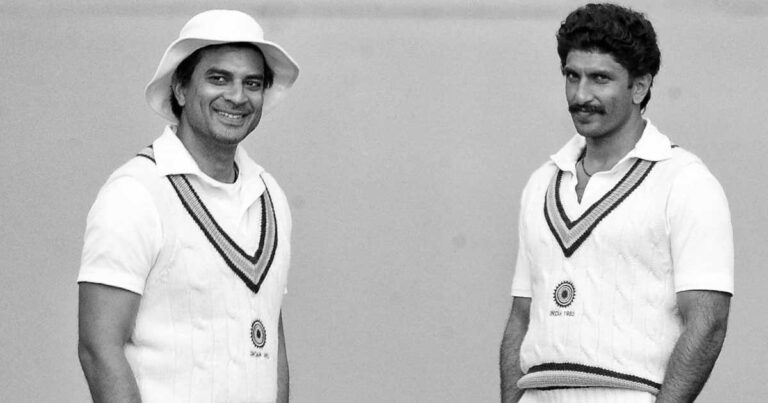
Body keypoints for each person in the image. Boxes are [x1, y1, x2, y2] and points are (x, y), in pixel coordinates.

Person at [499, 3, 733, 403]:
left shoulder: (685, 182)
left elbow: (708, 323)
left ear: (639, 87)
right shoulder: (542, 182)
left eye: (600, 78)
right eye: (572, 76)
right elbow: (521, 317)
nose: (581, 95)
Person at [77, 10, 299, 403]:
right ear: (180, 89)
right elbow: (99, 349)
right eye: (218, 78)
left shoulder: (269, 195)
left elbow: (268, 335)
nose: (237, 96)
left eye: (251, 83)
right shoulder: (136, 192)